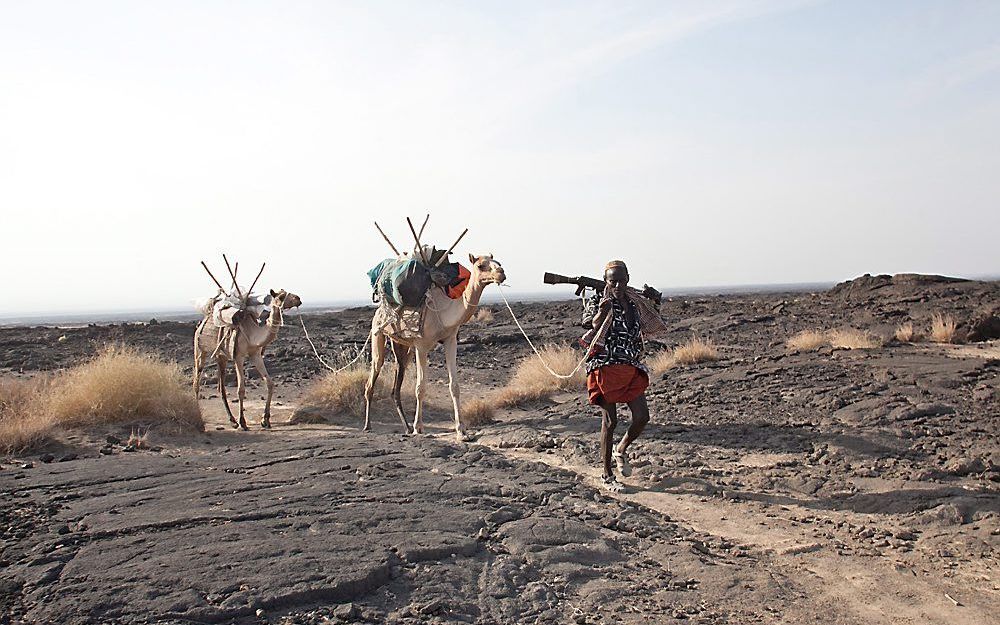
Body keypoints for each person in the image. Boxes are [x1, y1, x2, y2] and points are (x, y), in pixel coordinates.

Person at [581, 260, 668, 492]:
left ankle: (620, 450)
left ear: (628, 278)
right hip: (605, 365)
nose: (617, 285)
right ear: (606, 281)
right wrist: (603, 311)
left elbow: (652, 321)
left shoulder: (635, 302)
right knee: (610, 422)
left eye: (621, 280)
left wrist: (656, 300)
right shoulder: (598, 300)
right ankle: (607, 475)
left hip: (630, 364)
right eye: (612, 281)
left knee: (642, 417)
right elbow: (590, 324)